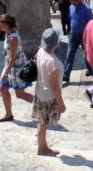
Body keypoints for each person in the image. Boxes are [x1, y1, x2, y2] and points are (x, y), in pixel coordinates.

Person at [33, 28, 66, 157]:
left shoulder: (40, 51)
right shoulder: (54, 63)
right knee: (44, 123)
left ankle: (43, 146)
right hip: (49, 97)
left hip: (40, 92)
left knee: (41, 121)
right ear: (56, 43)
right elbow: (55, 88)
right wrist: (61, 104)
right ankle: (42, 149)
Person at [0, 14, 34, 121]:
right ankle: (8, 114)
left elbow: (13, 58)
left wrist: (6, 73)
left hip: (17, 68)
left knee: (20, 94)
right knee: (3, 88)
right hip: (10, 66)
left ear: (6, 24)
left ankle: (43, 106)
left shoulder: (13, 38)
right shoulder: (7, 35)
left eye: (0, 23)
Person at [63, 0, 93, 83]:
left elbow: (91, 23)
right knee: (70, 53)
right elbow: (71, 19)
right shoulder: (71, 7)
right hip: (73, 34)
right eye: (71, 0)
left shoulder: (87, 9)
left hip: (84, 35)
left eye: (74, 0)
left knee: (87, 54)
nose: (72, 2)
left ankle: (91, 70)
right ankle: (66, 74)